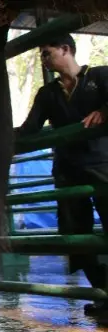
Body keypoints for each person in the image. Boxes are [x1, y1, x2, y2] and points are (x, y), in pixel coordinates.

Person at [14, 33, 108, 315]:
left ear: (65, 49)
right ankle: (104, 292)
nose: (42, 59)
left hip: (102, 166)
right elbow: (30, 128)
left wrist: (105, 110)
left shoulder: (100, 77)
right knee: (74, 237)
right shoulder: (48, 93)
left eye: (46, 53)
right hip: (67, 172)